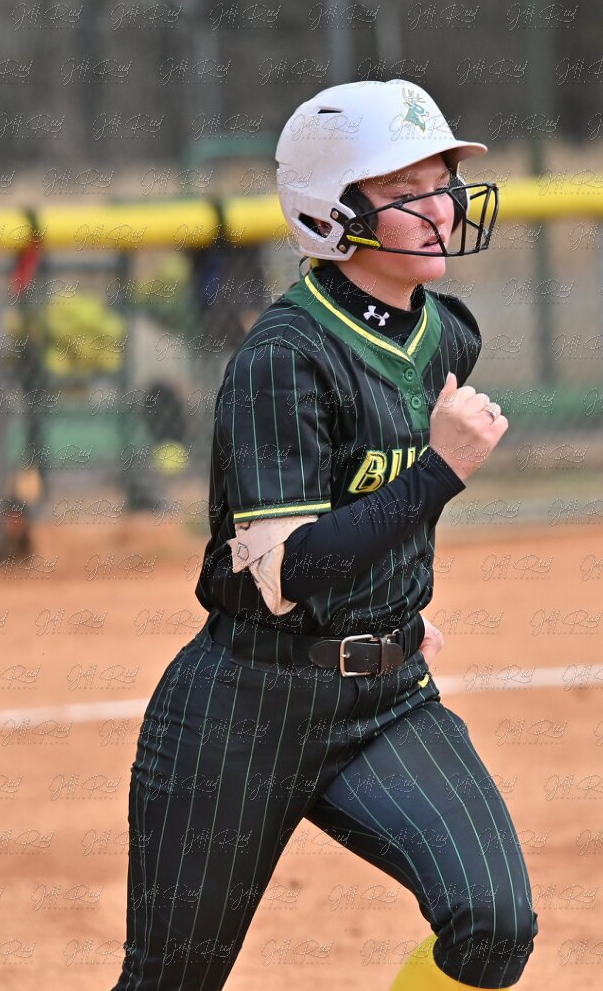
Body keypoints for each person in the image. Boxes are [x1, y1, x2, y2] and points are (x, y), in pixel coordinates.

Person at [114, 79, 535, 990]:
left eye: (443, 183)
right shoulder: (283, 360)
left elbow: (377, 495)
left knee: (495, 924)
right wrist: (441, 471)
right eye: (407, 191)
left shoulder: (445, 335)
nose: (441, 208)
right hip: (247, 705)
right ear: (330, 213)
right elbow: (285, 573)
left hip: (385, 699)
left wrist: (392, 602)